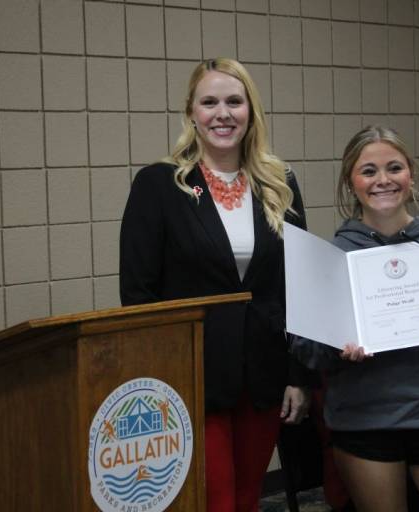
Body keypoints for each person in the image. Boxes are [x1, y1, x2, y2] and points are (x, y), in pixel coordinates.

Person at [119, 58, 311, 512]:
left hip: (263, 374)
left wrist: (298, 376)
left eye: (234, 101)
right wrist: (156, 378)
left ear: (251, 111)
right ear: (191, 112)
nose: (222, 113)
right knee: (215, 501)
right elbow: (138, 294)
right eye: (209, 102)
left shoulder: (278, 183)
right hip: (190, 376)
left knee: (246, 500)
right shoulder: (160, 184)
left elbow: (298, 285)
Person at [292, 125, 419, 512]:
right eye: (368, 171)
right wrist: (336, 345)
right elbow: (307, 350)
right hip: (365, 420)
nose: (382, 180)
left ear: (411, 174)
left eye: (394, 168)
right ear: (351, 182)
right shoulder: (329, 258)